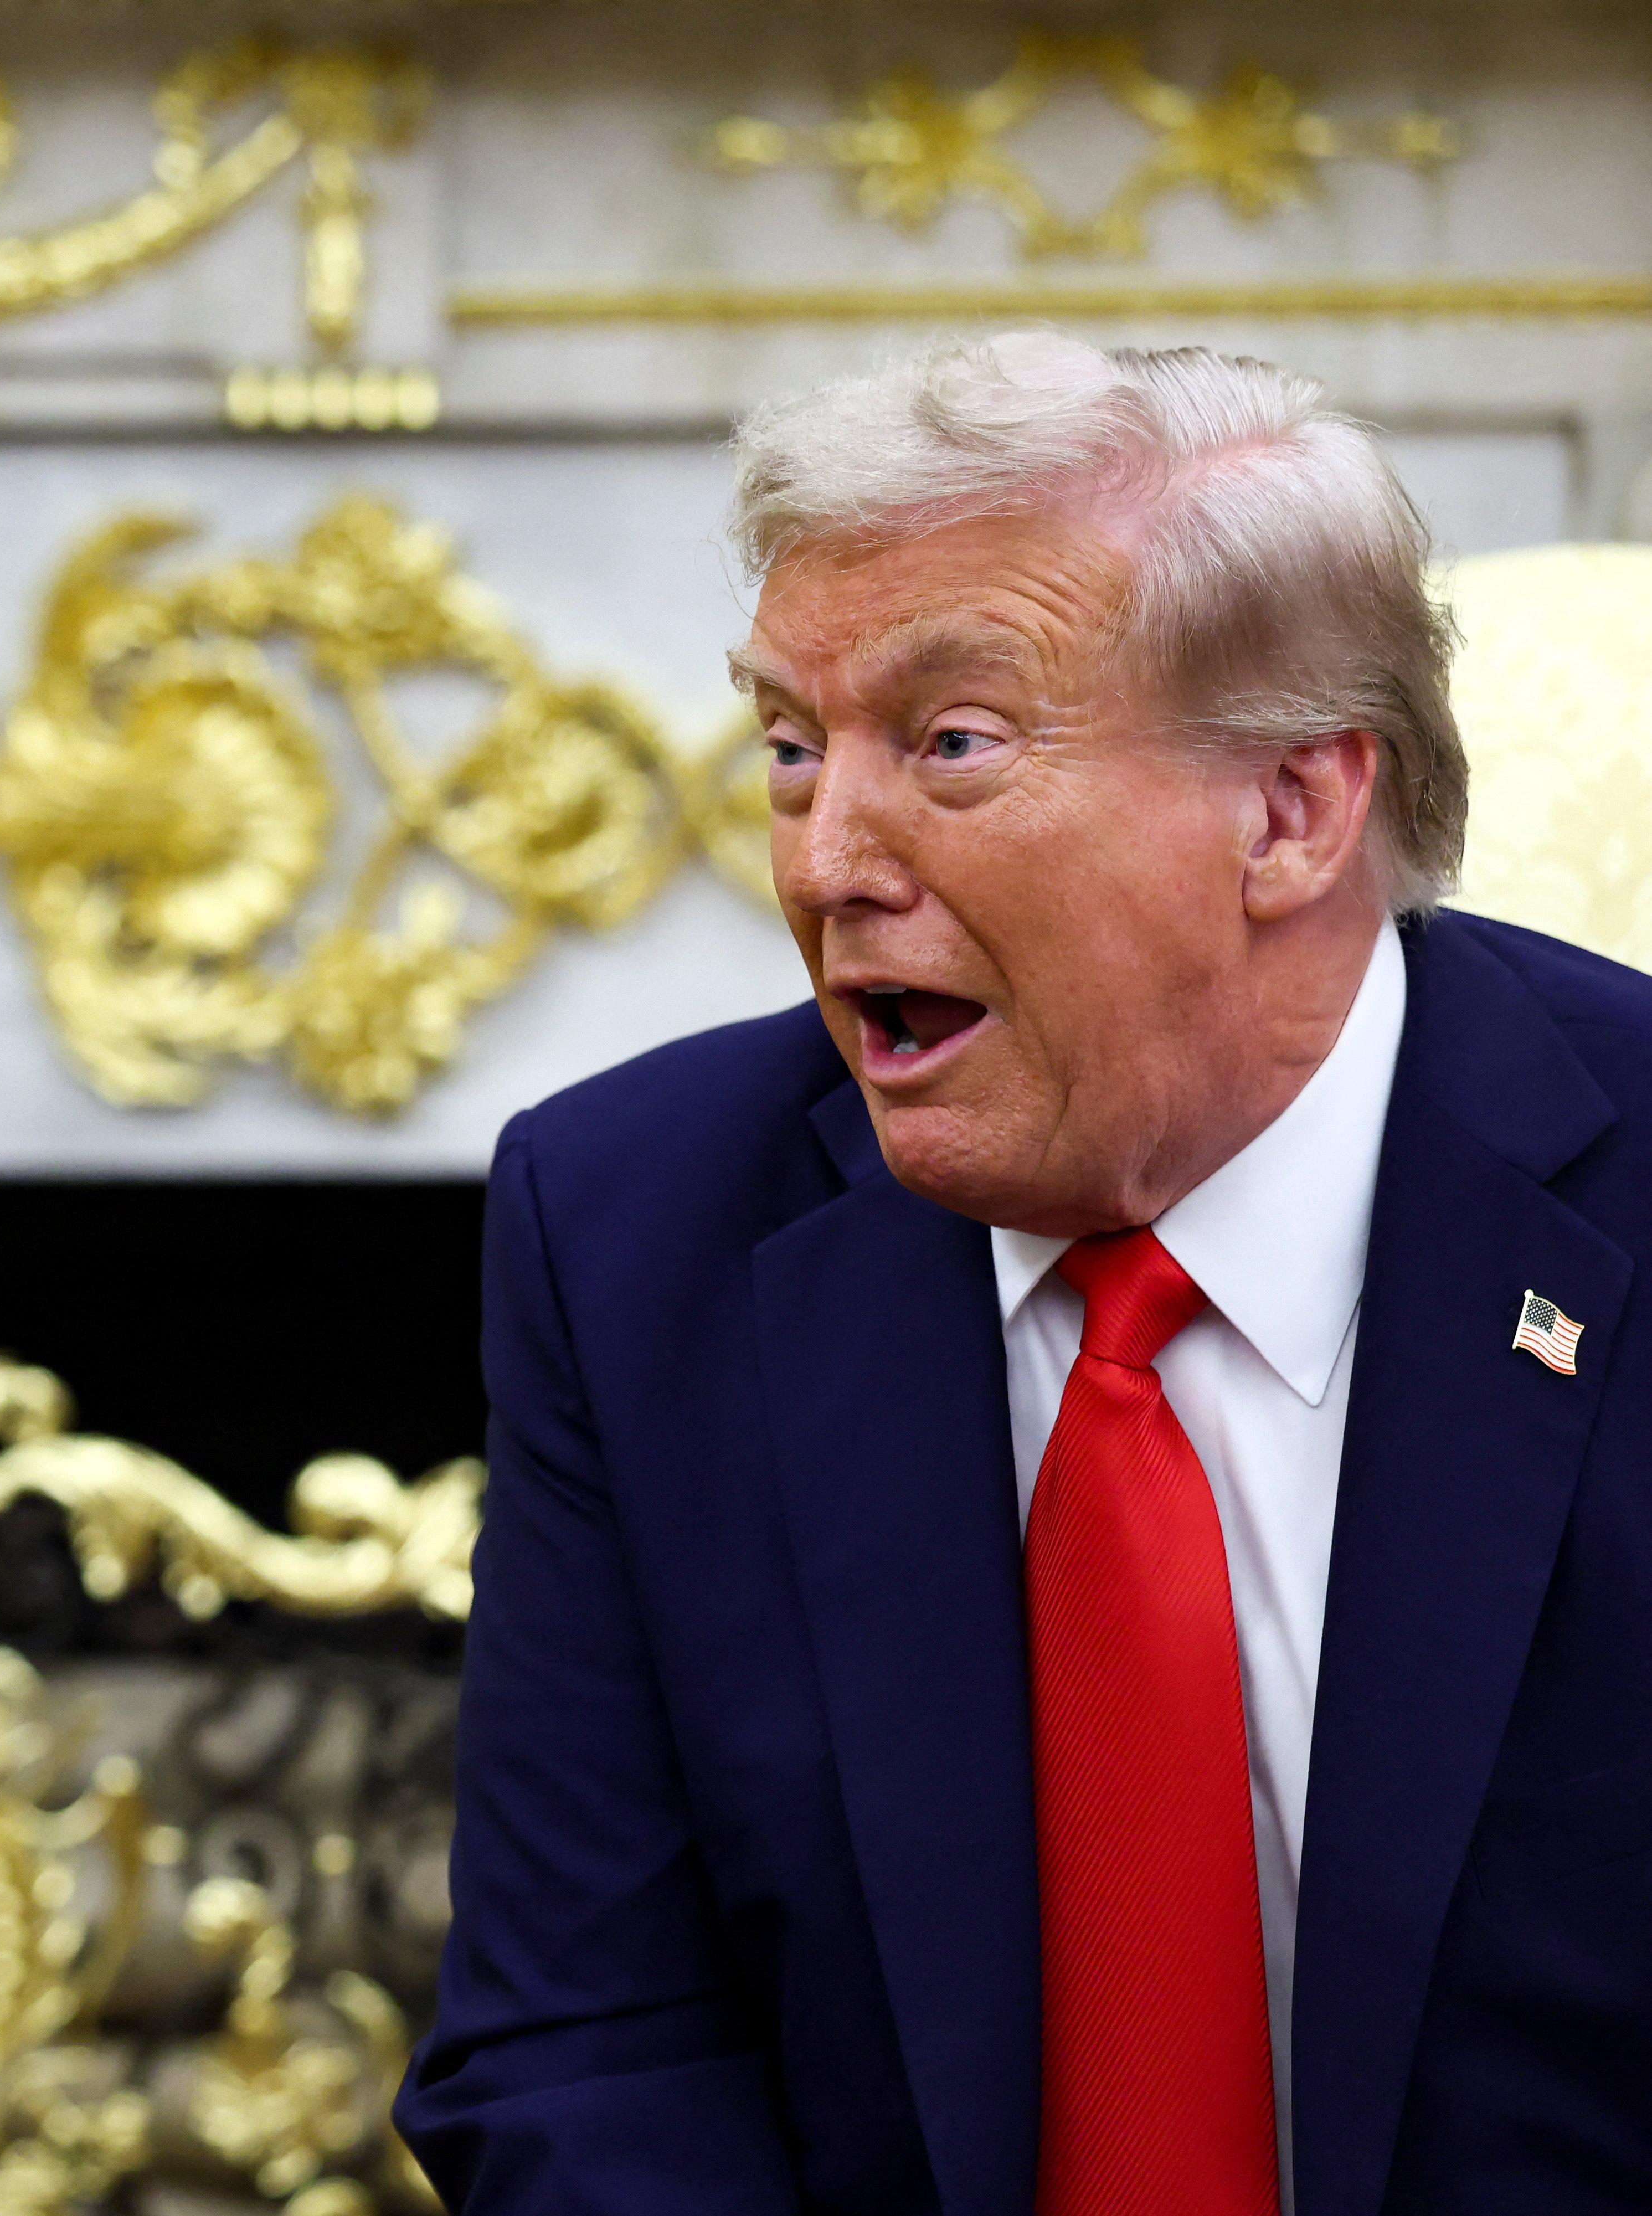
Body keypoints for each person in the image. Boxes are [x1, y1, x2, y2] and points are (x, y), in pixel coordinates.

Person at [397, 332, 1652, 2215]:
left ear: (1290, 810)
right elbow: (586, 2049)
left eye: (951, 746)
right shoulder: (633, 1230)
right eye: (791, 750)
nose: (825, 862)